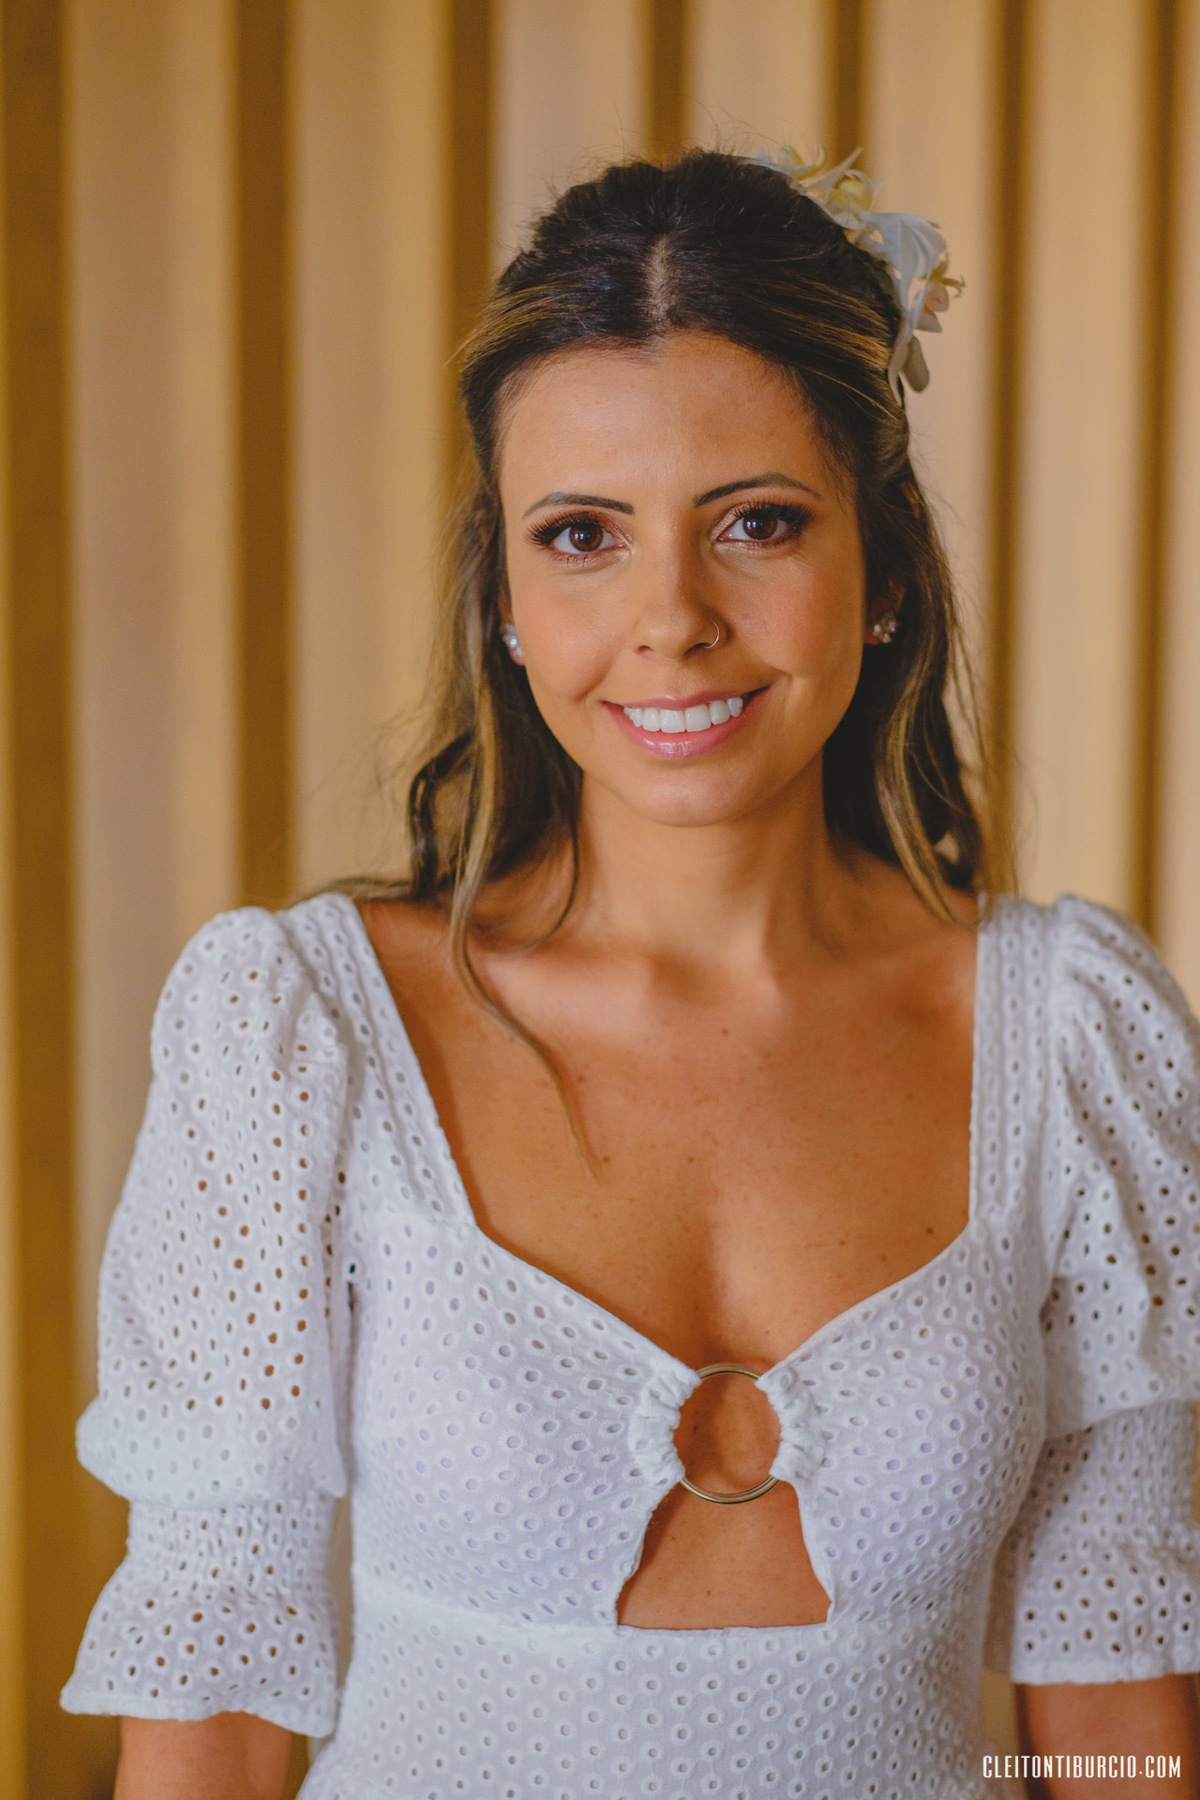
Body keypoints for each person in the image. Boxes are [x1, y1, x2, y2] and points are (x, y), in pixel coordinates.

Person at [63, 150, 1200, 1800]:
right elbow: (210, 1711)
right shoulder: (302, 1033)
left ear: (883, 572)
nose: (671, 617)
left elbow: (1119, 1730)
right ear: (509, 599)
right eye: (583, 535)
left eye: (757, 523)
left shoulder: (1077, 1036)